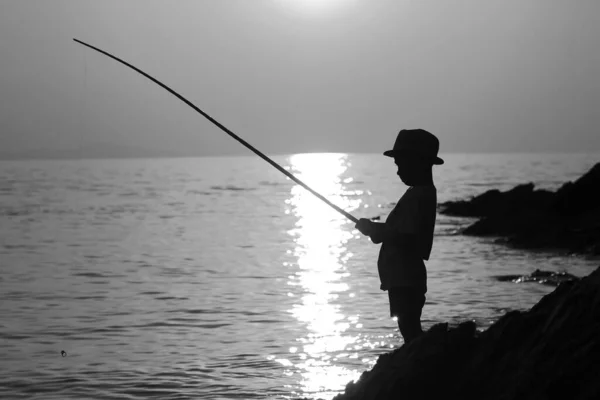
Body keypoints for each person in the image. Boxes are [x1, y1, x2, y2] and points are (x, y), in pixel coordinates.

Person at [355, 129, 443, 344]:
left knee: (409, 327)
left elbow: (407, 237)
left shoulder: (420, 195)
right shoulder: (419, 193)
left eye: (402, 165)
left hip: (406, 277)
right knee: (407, 326)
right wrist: (377, 231)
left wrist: (376, 230)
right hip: (402, 277)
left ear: (419, 162)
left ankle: (418, 360)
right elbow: (399, 232)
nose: (398, 172)